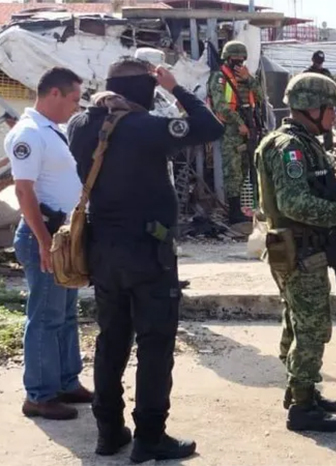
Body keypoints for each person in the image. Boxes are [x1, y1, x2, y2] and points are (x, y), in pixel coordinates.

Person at [67, 57, 224, 462]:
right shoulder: (146, 127)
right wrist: (175, 87)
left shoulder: (80, 125)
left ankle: (108, 432)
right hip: (149, 254)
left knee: (111, 340)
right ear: (144, 90)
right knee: (155, 344)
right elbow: (211, 127)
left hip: (103, 252)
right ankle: (150, 436)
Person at [255, 72, 336, 432]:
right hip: (298, 250)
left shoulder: (304, 143)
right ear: (312, 108)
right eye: (331, 108)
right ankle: (302, 408)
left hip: (300, 248)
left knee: (298, 321)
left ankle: (303, 390)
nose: (335, 115)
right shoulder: (290, 147)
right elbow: (293, 203)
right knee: (312, 328)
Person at [5, 66, 91, 421]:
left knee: (66, 314)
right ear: (54, 93)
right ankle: (39, 395)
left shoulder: (52, 130)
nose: (76, 106)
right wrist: (43, 242)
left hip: (64, 238)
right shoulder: (28, 133)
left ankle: (66, 382)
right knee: (45, 317)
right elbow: (24, 192)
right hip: (44, 236)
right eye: (73, 99)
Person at [208, 40, 265, 226]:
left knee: (247, 168)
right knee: (233, 171)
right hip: (231, 129)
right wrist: (239, 123)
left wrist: (249, 79)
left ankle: (245, 209)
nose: (239, 63)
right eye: (235, 59)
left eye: (242, 59)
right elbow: (221, 105)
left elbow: (260, 96)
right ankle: (234, 213)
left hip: (249, 126)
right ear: (227, 59)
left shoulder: (246, 77)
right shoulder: (219, 77)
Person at [303, 50, 334, 151]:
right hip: (311, 106)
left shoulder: (326, 73)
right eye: (317, 62)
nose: (318, 65)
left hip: (324, 105)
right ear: (313, 60)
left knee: (327, 127)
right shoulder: (306, 73)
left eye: (320, 62)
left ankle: (329, 150)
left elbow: (332, 87)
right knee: (309, 127)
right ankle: (309, 148)